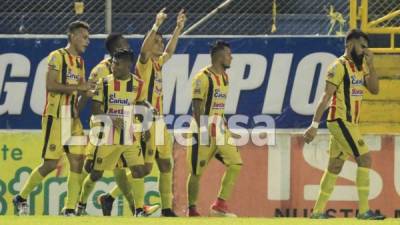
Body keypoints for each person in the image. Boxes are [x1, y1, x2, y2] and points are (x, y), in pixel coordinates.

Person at [99, 8, 186, 217]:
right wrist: (156, 25)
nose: (161, 44)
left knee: (166, 164)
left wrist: (178, 28)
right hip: (146, 120)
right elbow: (145, 49)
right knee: (145, 168)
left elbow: (170, 51)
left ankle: (166, 209)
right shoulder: (143, 63)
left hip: (160, 120)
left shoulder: (158, 62)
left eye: (161, 41)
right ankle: (109, 196)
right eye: (157, 41)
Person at [13, 21, 95, 216]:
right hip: (55, 117)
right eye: (84, 37)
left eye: (88, 38)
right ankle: (21, 197)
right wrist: (80, 88)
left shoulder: (80, 63)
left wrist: (88, 93)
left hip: (72, 119)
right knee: (50, 164)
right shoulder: (57, 57)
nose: (87, 41)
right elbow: (51, 85)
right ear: (73, 36)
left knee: (77, 161)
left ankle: (68, 209)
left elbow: (81, 92)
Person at [303, 29, 385, 220]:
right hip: (340, 121)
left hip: (351, 123)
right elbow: (326, 96)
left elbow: (374, 89)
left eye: (367, 47)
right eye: (362, 46)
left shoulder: (361, 67)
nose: (365, 50)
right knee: (365, 159)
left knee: (335, 166)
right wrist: (314, 125)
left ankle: (317, 212)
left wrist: (371, 66)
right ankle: (364, 211)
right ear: (350, 45)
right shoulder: (338, 66)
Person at [188, 40, 242, 217]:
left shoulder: (225, 77)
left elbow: (219, 106)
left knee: (235, 163)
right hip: (201, 131)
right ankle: (192, 210)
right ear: (219, 56)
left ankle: (219, 205)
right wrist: (203, 130)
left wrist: (224, 125)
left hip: (220, 130)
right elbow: (196, 106)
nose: (231, 57)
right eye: (228, 54)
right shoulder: (202, 77)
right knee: (196, 172)